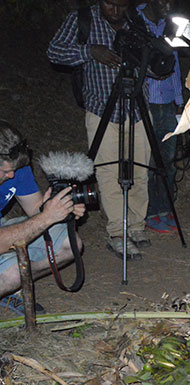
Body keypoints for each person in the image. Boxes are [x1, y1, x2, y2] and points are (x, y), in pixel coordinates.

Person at [48, 0, 151, 260]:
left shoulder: (136, 20)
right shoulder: (82, 19)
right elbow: (54, 52)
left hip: (137, 108)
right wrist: (89, 51)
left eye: (121, 5)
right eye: (109, 4)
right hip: (100, 109)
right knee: (108, 174)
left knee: (140, 171)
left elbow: (150, 61)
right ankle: (118, 233)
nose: (115, 11)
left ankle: (136, 226)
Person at [0, 121, 85, 314]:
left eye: (14, 169)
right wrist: (46, 217)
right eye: (5, 172)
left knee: (69, 244)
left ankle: (10, 288)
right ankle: (10, 281)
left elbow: (36, 210)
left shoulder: (16, 170)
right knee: (13, 272)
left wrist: (62, 211)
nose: (12, 175)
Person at [137, 0, 182, 235]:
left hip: (167, 103)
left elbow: (173, 65)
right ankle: (149, 212)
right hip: (145, 102)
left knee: (168, 160)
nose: (168, 4)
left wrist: (179, 101)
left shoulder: (168, 25)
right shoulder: (134, 21)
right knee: (148, 162)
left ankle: (165, 209)